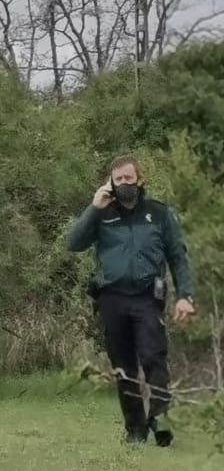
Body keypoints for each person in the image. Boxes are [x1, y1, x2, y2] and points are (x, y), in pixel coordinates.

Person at [66, 155, 197, 447]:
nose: (125, 183)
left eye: (129, 178)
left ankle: (160, 419)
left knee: (153, 357)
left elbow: (179, 256)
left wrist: (185, 296)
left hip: (147, 297)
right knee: (123, 366)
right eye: (119, 179)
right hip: (112, 298)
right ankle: (135, 430)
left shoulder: (159, 214)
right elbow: (73, 244)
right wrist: (93, 207)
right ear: (111, 183)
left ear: (140, 179)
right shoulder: (101, 214)